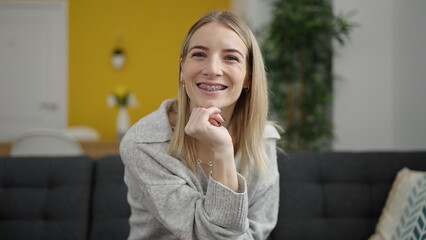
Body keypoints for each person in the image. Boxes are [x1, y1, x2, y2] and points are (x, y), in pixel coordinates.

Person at [120, 10, 281, 240]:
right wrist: (223, 151)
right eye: (199, 54)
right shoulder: (144, 144)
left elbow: (255, 234)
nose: (212, 69)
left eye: (231, 57)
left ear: (248, 77)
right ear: (183, 69)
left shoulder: (263, 140)